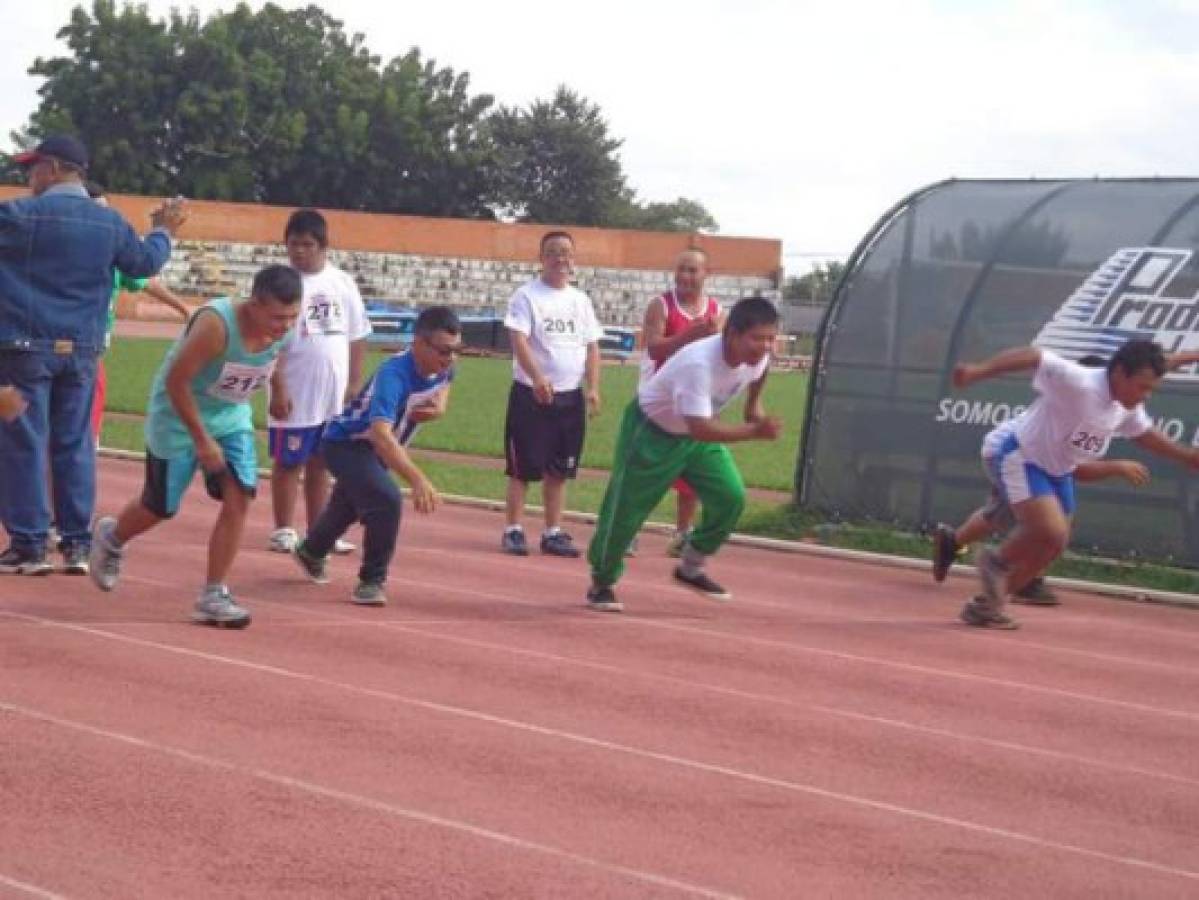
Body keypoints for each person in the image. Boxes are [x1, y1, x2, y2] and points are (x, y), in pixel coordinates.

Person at [0, 134, 186, 576]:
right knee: (74, 442)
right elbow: (144, 263)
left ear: (56, 168)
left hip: (24, 347)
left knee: (23, 443)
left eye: (34, 168)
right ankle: (77, 543)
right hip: (83, 350)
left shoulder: (18, 216)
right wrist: (164, 229)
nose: (30, 178)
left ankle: (29, 543)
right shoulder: (112, 223)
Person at [88, 265, 302, 628]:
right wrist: (202, 440)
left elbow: (273, 355)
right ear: (254, 304)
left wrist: (279, 391)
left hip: (230, 415)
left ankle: (213, 594)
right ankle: (112, 537)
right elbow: (176, 382)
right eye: (278, 317)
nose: (285, 325)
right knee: (160, 506)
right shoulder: (216, 326)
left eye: (292, 316)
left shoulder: (282, 327)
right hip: (177, 412)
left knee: (240, 495)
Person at [949, 339, 1199, 629]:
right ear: (1119, 373)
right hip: (1023, 457)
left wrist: (1188, 456)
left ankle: (987, 605)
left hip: (1059, 470)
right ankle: (996, 562)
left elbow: (1146, 436)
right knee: (1048, 528)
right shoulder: (1081, 382)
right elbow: (1033, 356)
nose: (1146, 397)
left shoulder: (1126, 405)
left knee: (1053, 544)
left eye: (1151, 389)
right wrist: (978, 371)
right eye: (1143, 388)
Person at [586, 296, 782, 612]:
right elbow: (702, 428)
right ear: (732, 333)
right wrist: (753, 432)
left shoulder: (758, 357)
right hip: (652, 433)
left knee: (730, 497)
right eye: (756, 338)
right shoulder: (699, 364)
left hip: (695, 437)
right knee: (626, 511)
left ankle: (691, 565)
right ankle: (602, 580)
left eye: (770, 338)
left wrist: (752, 405)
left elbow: (760, 371)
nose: (764, 346)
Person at [292, 306, 460, 605]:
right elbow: (380, 434)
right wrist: (417, 479)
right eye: (443, 351)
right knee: (386, 499)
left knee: (347, 506)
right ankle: (371, 581)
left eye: (455, 351)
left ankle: (312, 551)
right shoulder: (393, 375)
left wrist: (439, 409)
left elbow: (445, 388)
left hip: (377, 450)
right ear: (419, 343)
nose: (449, 359)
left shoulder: (445, 367)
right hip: (347, 444)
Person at [266, 209, 371, 556]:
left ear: (323, 246)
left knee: (322, 462)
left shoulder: (341, 283)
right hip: (296, 386)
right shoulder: (281, 284)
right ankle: (283, 528)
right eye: (293, 244)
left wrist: (354, 383)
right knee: (288, 460)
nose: (299, 252)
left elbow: (357, 335)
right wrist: (277, 385)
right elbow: (268, 340)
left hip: (332, 391)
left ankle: (319, 530)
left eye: (307, 245)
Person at [501, 231, 601, 558]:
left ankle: (552, 531)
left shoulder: (581, 300)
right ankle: (514, 529)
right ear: (542, 258)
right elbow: (519, 340)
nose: (561, 259)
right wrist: (538, 377)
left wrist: (593, 387)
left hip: (569, 398)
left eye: (566, 253)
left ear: (574, 259)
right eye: (553, 253)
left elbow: (591, 346)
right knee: (522, 466)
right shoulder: (526, 296)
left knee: (560, 469)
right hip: (532, 394)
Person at [640, 248, 724, 557]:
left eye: (692, 270)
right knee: (649, 470)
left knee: (690, 473)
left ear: (706, 274)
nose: (685, 277)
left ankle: (682, 532)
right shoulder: (660, 305)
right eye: (681, 270)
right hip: (661, 403)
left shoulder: (715, 310)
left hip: (693, 403)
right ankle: (630, 528)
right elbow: (654, 349)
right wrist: (691, 335)